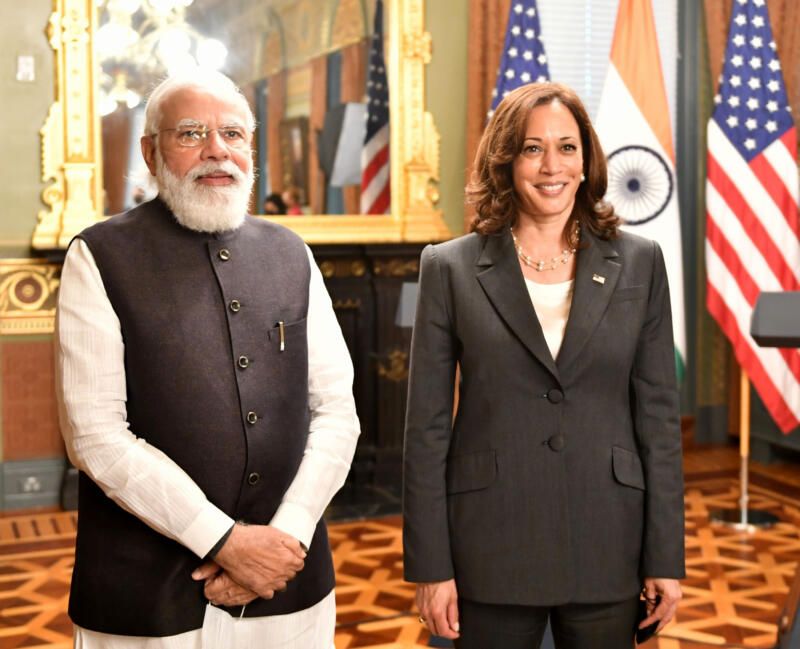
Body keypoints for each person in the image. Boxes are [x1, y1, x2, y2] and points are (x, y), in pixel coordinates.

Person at [55, 70, 360, 648]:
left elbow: (336, 412)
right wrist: (225, 542)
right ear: (150, 151)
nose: (217, 150)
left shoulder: (291, 253)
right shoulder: (98, 257)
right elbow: (93, 435)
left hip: (287, 580)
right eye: (191, 133)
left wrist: (285, 538)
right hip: (146, 593)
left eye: (234, 134)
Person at [402, 82, 684, 648]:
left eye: (567, 147)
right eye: (532, 148)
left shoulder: (641, 263)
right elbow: (426, 432)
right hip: (490, 542)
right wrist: (431, 567)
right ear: (506, 160)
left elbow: (658, 421)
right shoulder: (448, 268)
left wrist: (665, 555)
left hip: (609, 537)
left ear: (587, 160)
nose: (551, 165)